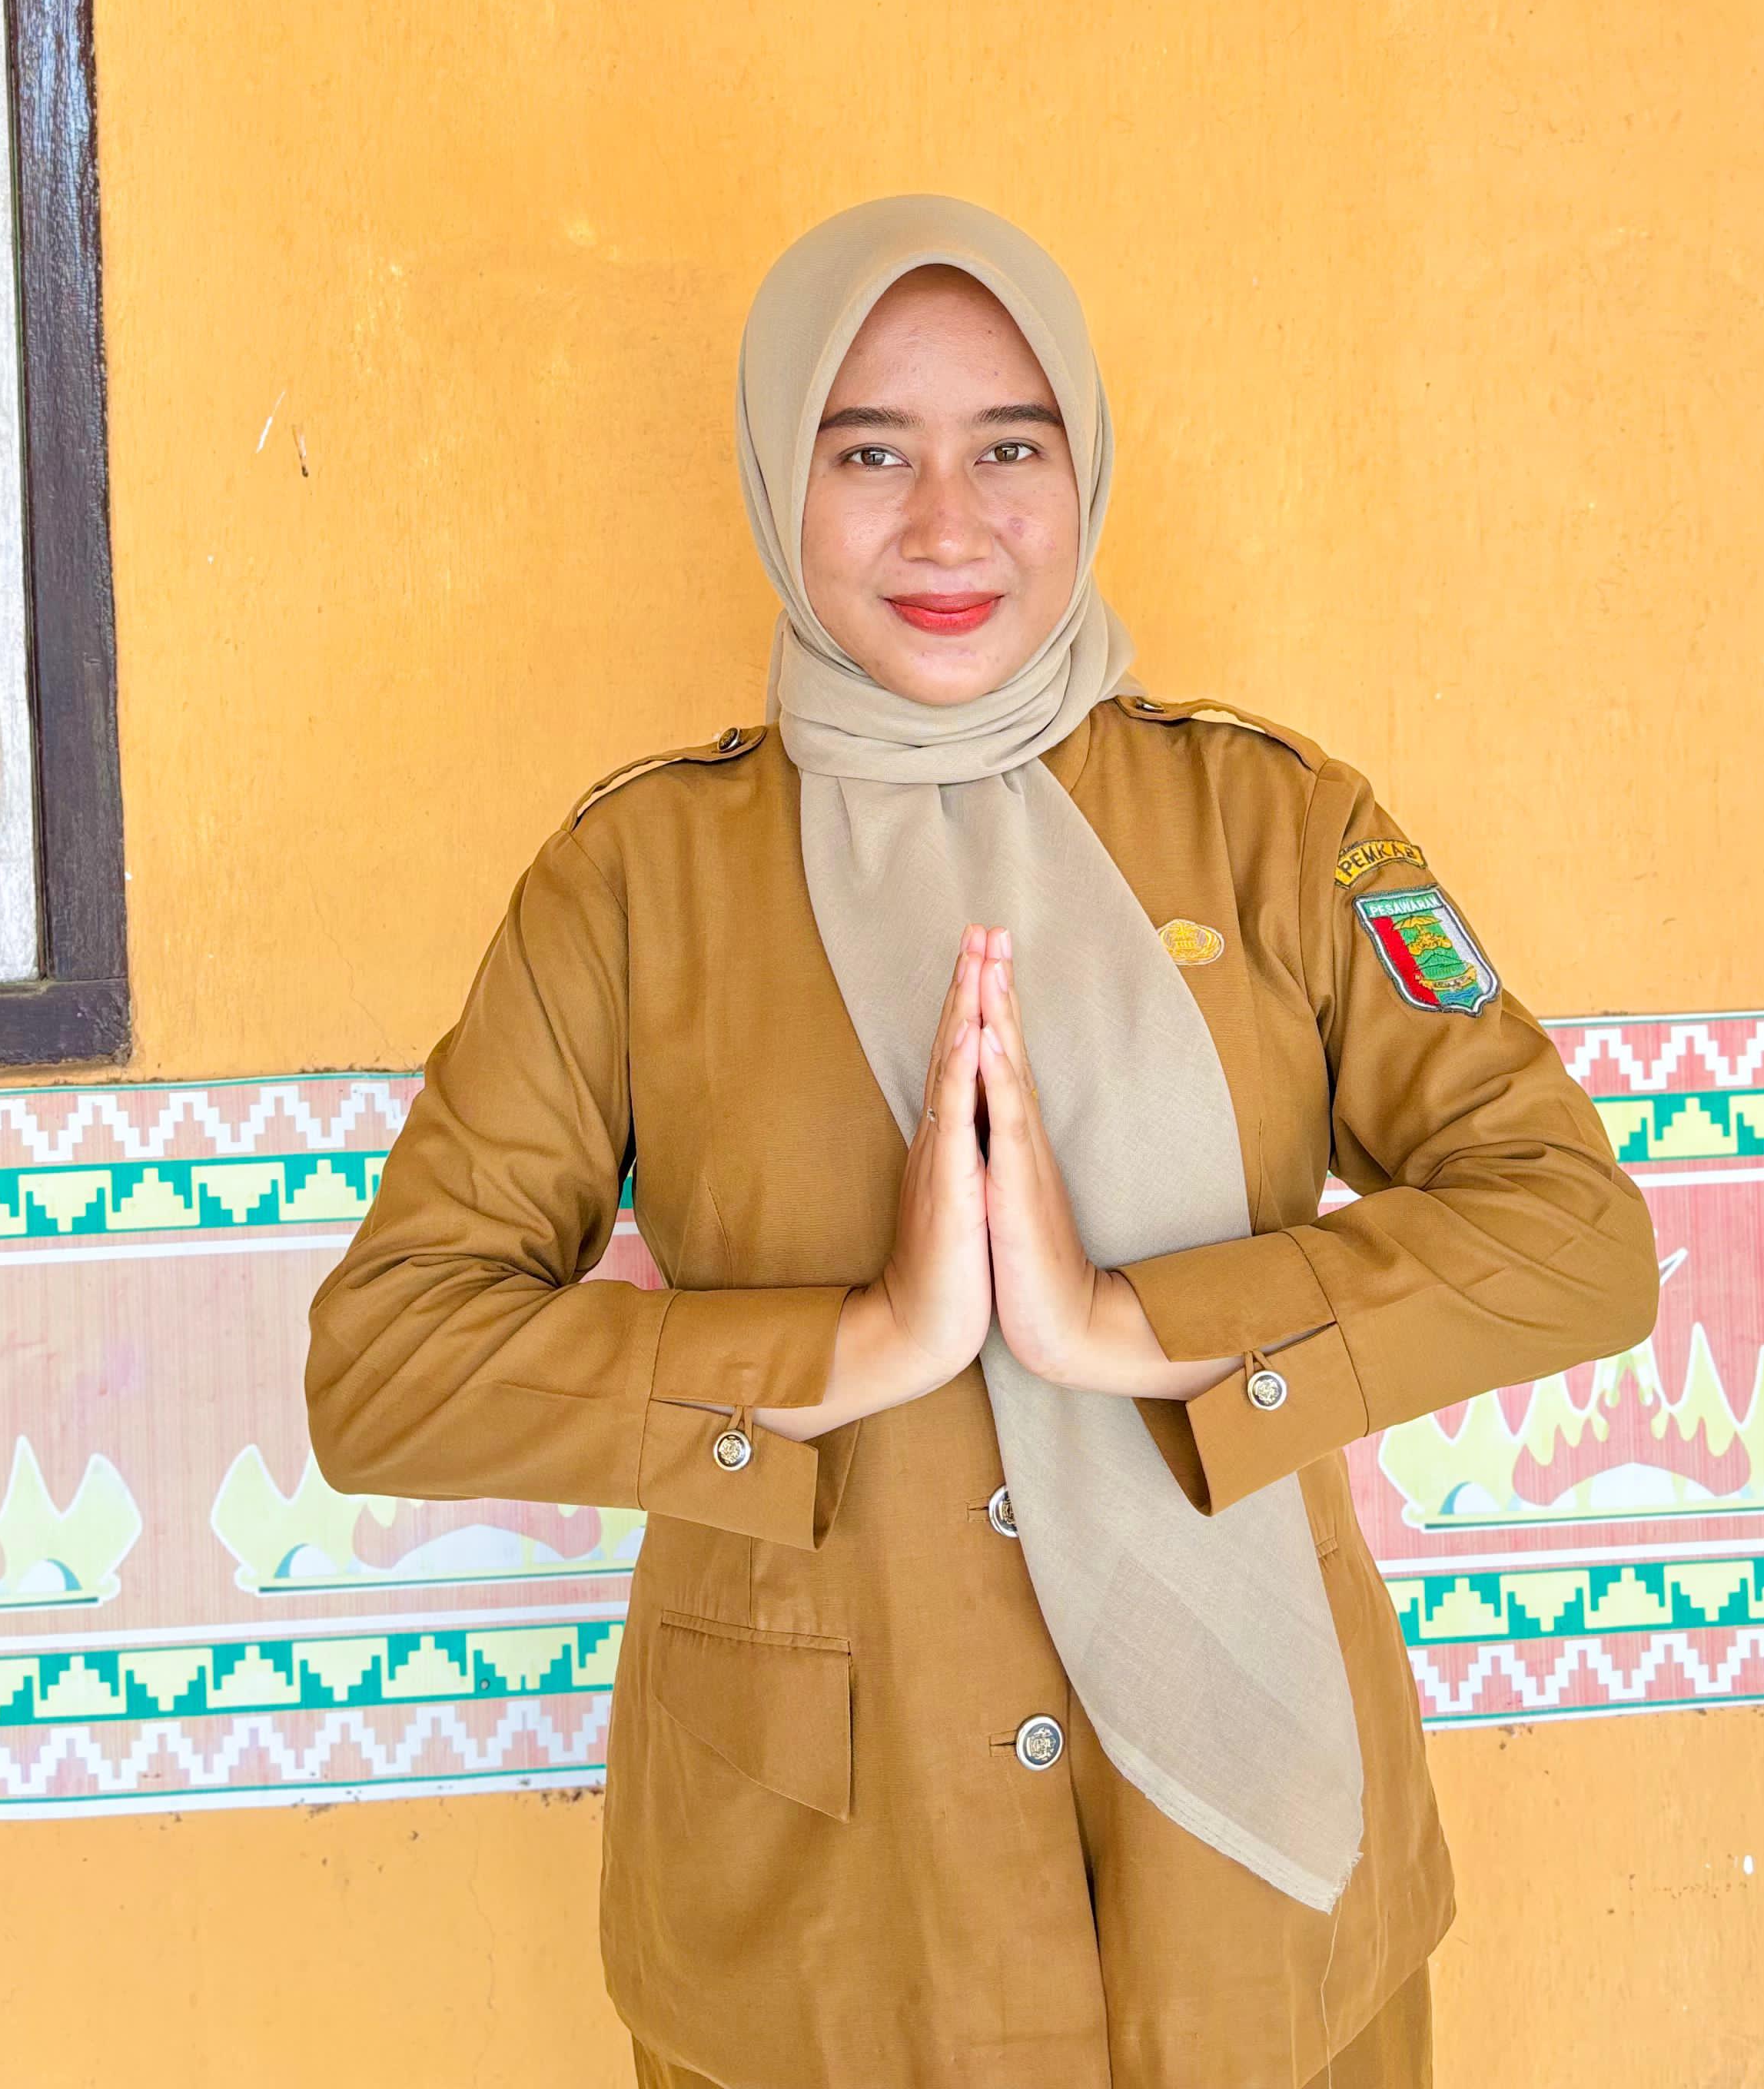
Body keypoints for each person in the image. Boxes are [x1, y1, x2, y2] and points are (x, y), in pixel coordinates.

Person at [307, 194, 1659, 2089]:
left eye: (1010, 449)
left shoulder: (1275, 828)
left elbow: (1578, 1239)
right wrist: (864, 1342)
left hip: (1253, 1911)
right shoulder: (635, 882)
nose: (949, 527)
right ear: (779, 477)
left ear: (1083, 462)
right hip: (831, 1930)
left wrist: (1133, 1328)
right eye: (870, 454)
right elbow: (386, 1374)